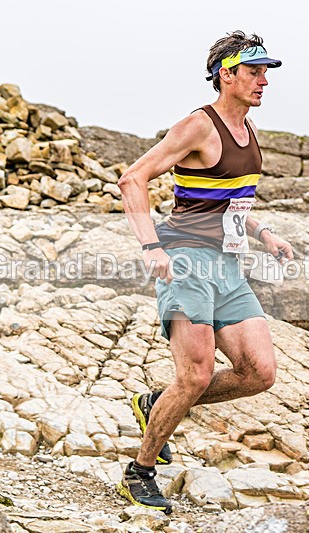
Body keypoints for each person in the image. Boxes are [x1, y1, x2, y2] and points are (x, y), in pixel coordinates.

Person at [115, 30, 293, 514]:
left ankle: (156, 404)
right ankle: (140, 472)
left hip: (229, 266)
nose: (263, 82)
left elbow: (227, 200)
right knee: (194, 376)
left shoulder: (249, 130)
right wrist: (150, 244)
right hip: (187, 261)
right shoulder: (198, 125)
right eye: (254, 72)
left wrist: (264, 234)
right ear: (226, 74)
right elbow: (132, 179)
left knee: (259, 372)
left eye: (266, 73)